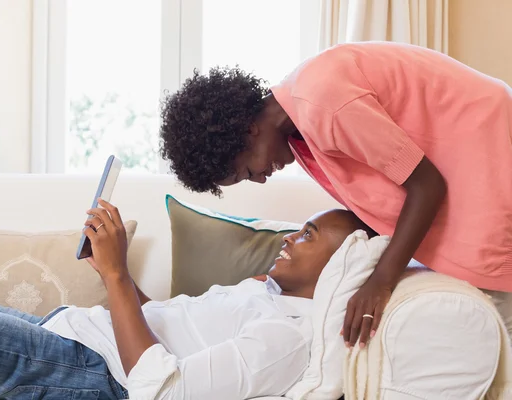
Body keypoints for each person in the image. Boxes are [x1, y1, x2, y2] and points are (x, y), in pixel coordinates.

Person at [158, 41, 512, 347]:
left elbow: (426, 184)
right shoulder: (299, 119)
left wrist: (380, 281)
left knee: (492, 329)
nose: (261, 180)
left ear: (247, 132)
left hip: (491, 151)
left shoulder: (321, 104)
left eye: (247, 171)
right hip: (477, 165)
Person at [0, 200, 374, 400]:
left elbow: (163, 390)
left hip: (89, 374)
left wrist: (115, 278)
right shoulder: (265, 293)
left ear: (339, 265)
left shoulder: (286, 336)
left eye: (308, 235)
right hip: (68, 337)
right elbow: (164, 324)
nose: (290, 238)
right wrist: (120, 275)